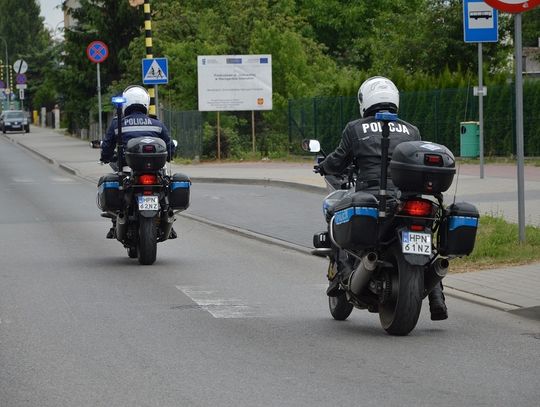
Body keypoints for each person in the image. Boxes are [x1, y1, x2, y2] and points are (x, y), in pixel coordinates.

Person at [316, 76, 448, 321]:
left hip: (371, 196)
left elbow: (338, 161)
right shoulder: (412, 130)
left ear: (365, 101)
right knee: (427, 246)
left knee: (335, 213)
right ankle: (437, 296)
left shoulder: (355, 128)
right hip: (408, 200)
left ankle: (340, 277)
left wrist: (323, 166)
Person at [100, 85, 177, 239]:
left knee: (118, 187)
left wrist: (105, 157)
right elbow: (169, 147)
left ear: (126, 104)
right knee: (165, 187)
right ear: (146, 103)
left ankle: (116, 220)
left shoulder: (117, 124)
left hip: (128, 168)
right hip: (155, 169)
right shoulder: (157, 124)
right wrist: (170, 155)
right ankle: (168, 220)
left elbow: (107, 146)